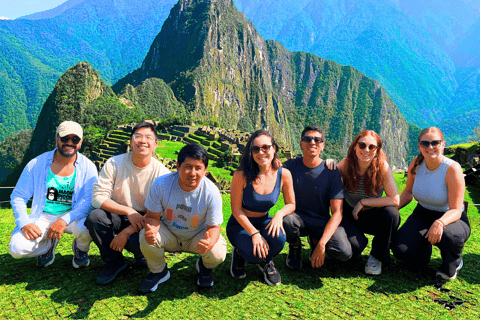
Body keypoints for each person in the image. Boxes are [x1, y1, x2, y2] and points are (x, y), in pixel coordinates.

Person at [86, 121, 171, 285]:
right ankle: (114, 261)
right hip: (118, 213)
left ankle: (141, 255)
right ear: (131, 142)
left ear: (155, 145)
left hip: (147, 218)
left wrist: (126, 233)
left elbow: (160, 214)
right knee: (95, 217)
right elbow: (97, 198)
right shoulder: (114, 163)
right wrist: (127, 211)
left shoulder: (161, 174)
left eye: (148, 137)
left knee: (140, 239)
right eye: (138, 136)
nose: (142, 141)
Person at [139, 143, 227, 293]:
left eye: (198, 168)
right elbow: (152, 217)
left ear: (205, 171)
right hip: (169, 234)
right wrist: (151, 230)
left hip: (196, 237)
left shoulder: (211, 192)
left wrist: (209, 242)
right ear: (178, 166)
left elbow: (214, 227)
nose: (192, 173)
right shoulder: (161, 185)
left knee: (217, 251)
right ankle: (159, 271)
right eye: (187, 166)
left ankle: (205, 268)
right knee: (144, 237)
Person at [9, 121, 98, 268]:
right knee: (16, 249)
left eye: (74, 139)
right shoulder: (36, 164)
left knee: (88, 227)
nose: (69, 143)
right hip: (43, 216)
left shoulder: (88, 167)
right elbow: (19, 195)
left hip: (74, 216)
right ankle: (48, 245)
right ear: (57, 139)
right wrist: (24, 222)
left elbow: (90, 200)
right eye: (65, 138)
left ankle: (81, 249)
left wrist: (64, 220)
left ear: (80, 143)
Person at [393, 127, 470, 286]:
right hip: (422, 215)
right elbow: (408, 193)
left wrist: (440, 223)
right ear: (419, 146)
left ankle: (454, 261)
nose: (430, 147)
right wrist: (391, 209)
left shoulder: (452, 168)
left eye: (435, 143)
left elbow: (456, 209)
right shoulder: (416, 163)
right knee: (401, 250)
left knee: (449, 236)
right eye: (425, 143)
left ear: (443, 144)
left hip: (451, 218)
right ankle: (423, 250)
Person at [227, 130, 295, 286]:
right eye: (256, 149)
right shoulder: (242, 174)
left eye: (265, 147)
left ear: (274, 149)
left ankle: (267, 261)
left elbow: (291, 204)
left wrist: (279, 214)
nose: (261, 152)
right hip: (240, 224)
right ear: (251, 152)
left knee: (278, 238)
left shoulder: (283, 174)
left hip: (264, 220)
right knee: (252, 251)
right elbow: (236, 210)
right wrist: (255, 234)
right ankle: (240, 253)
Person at [283, 125, 352, 270]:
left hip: (321, 220)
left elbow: (337, 212)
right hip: (297, 218)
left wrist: (322, 244)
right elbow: (269, 170)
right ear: (301, 144)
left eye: (317, 140)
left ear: (322, 146)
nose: (312, 142)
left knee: (344, 252)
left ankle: (316, 240)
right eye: (307, 139)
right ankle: (295, 246)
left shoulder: (331, 172)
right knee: (286, 220)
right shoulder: (290, 166)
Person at [337, 130, 400, 275]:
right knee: (352, 249)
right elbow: (326, 177)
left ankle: (376, 256)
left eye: (372, 147)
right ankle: (358, 244)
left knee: (392, 214)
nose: (366, 150)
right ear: (355, 146)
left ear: (377, 150)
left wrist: (364, 202)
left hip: (371, 214)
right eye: (362, 145)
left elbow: (395, 199)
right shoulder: (346, 164)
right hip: (349, 214)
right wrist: (328, 163)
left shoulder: (382, 167)